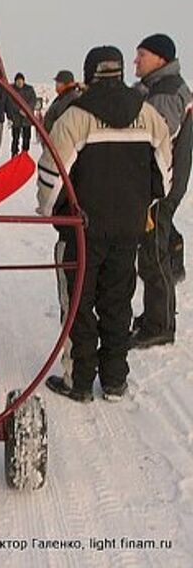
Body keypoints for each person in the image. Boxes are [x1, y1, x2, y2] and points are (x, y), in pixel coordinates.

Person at [37, 46, 171, 403]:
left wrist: (52, 213)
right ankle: (114, 380)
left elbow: (52, 175)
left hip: (81, 231)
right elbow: (165, 176)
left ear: (88, 73)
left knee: (77, 303)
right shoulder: (149, 115)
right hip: (128, 230)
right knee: (118, 301)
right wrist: (139, 205)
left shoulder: (74, 118)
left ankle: (79, 381)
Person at [131, 33, 193, 349]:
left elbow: (154, 141)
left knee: (153, 255)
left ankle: (160, 325)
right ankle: (156, 314)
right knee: (154, 249)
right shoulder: (161, 87)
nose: (135, 61)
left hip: (160, 187)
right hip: (164, 184)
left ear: (160, 58)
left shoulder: (166, 93)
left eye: (141, 55)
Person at [5, 72, 38, 156]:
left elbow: (33, 101)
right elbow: (10, 102)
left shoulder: (29, 89)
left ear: (23, 81)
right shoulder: (11, 89)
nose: (19, 83)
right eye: (18, 81)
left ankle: (25, 153)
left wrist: (26, 110)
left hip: (27, 118)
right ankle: (14, 153)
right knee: (15, 137)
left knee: (27, 137)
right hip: (16, 118)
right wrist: (19, 110)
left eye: (21, 81)